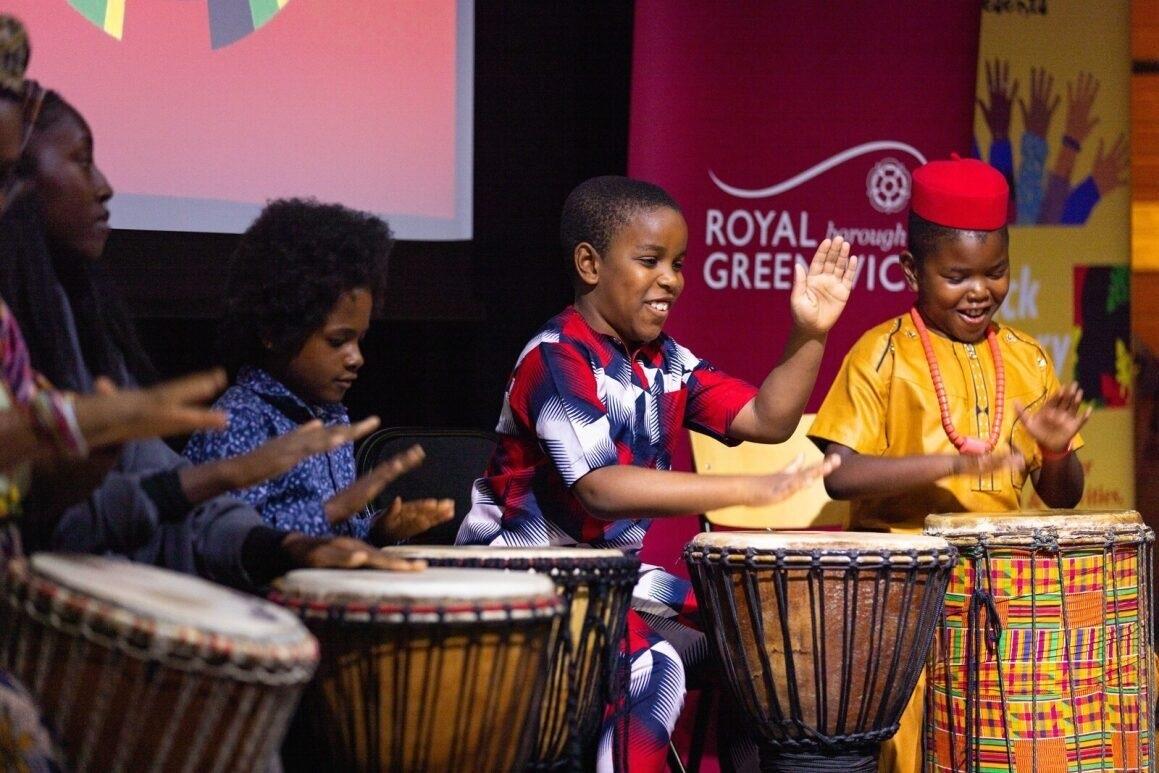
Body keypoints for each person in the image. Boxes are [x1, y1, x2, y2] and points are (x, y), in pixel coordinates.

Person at [456, 175, 854, 772]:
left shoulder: (666, 362)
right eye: (650, 261)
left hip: (610, 578)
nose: (671, 279)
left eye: (678, 263)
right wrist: (747, 488)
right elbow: (601, 487)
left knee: (759, 636)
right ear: (589, 264)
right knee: (654, 671)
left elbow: (769, 419)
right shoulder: (554, 357)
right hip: (521, 576)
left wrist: (811, 332)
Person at [0, 87, 425, 590]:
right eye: (82, 160)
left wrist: (287, 546)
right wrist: (231, 476)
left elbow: (172, 511)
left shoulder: (78, 326)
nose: (105, 186)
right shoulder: (239, 419)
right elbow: (68, 524)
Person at [807, 155, 1089, 773]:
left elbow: (1062, 497)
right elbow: (840, 474)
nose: (979, 290)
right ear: (912, 269)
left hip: (1008, 599)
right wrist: (951, 468)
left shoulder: (1027, 358)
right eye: (957, 275)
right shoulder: (881, 353)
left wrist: (1056, 450)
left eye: (995, 272)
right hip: (902, 596)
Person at [183, 198, 453, 543]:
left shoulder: (330, 417)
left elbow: (339, 532)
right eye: (338, 340)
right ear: (274, 330)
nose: (356, 358)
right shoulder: (238, 423)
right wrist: (328, 515)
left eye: (360, 340)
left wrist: (378, 531)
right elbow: (229, 544)